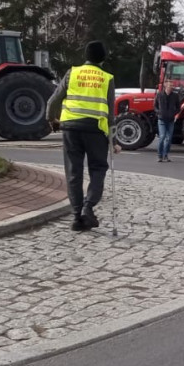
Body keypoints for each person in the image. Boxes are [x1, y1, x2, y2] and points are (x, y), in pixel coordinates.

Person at [46, 41, 120, 231]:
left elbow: (53, 101)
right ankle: (88, 207)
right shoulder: (107, 78)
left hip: (70, 128)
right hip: (96, 130)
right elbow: (110, 113)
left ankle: (77, 217)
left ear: (86, 56)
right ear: (103, 59)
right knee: (98, 169)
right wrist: (115, 141)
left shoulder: (72, 73)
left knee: (73, 172)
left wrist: (52, 120)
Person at [153, 78, 180, 163]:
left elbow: (178, 107)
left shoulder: (175, 96)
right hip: (161, 120)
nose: (171, 87)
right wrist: (158, 112)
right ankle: (159, 155)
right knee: (162, 137)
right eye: (169, 85)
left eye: (172, 86)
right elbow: (155, 106)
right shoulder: (159, 95)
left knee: (169, 139)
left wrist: (173, 113)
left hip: (171, 120)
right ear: (165, 86)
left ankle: (165, 155)